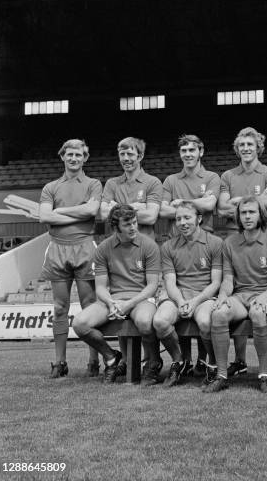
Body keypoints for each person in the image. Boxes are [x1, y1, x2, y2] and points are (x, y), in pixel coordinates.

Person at [217, 127, 267, 378]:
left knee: (264, 299)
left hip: (262, 236)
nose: (245, 148)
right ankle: (238, 360)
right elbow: (222, 207)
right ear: (237, 149)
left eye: (250, 144)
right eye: (241, 145)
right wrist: (250, 200)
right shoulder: (227, 175)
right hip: (236, 238)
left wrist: (238, 201)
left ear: (258, 147)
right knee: (231, 295)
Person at [72, 205, 161, 385]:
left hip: (141, 298)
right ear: (116, 227)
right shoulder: (103, 248)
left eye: (135, 222)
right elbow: (101, 288)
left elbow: (152, 286)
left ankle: (153, 362)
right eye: (127, 224)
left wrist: (129, 304)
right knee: (79, 324)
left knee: (145, 322)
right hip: (114, 299)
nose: (133, 227)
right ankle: (111, 358)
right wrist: (111, 302)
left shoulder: (149, 245)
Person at [100, 136, 163, 380]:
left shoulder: (152, 182)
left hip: (144, 250)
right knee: (121, 308)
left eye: (131, 154)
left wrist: (119, 206)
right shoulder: (111, 183)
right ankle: (125, 361)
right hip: (118, 252)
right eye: (122, 154)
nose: (126, 158)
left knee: (144, 314)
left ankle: (151, 361)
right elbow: (104, 213)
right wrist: (137, 205)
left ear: (140, 156)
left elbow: (150, 217)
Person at [39, 139, 102, 378]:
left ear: (85, 158)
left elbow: (91, 211)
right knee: (59, 308)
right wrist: (77, 212)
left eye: (78, 154)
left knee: (89, 307)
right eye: (69, 154)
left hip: (85, 247)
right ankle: (60, 362)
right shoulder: (51, 187)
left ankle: (94, 361)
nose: (74, 158)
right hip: (57, 248)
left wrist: (60, 212)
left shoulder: (93, 184)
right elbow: (44, 217)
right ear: (62, 156)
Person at [160, 134, 219, 377]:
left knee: (202, 317)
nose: (187, 154)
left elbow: (210, 205)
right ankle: (183, 360)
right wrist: (194, 203)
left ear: (201, 152)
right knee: (174, 310)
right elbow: (163, 209)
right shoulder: (171, 179)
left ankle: (205, 361)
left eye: (192, 150)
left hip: (203, 242)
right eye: (183, 150)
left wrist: (180, 202)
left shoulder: (212, 177)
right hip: (177, 245)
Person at [208, 196, 267, 393]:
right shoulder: (230, 243)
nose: (247, 216)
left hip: (264, 294)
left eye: (252, 212)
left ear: (261, 215)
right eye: (243, 213)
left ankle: (264, 375)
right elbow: (228, 278)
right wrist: (223, 295)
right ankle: (221, 376)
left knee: (258, 314)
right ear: (238, 217)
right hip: (240, 296)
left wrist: (266, 296)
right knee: (218, 313)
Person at [152, 201, 223, 388]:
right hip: (178, 296)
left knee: (206, 322)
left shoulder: (215, 243)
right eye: (178, 219)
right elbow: (170, 281)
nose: (182, 222)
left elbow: (216, 282)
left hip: (204, 296)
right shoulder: (168, 246)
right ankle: (179, 362)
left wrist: (195, 301)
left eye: (187, 218)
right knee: (160, 321)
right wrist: (181, 301)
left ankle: (213, 365)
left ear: (199, 219)